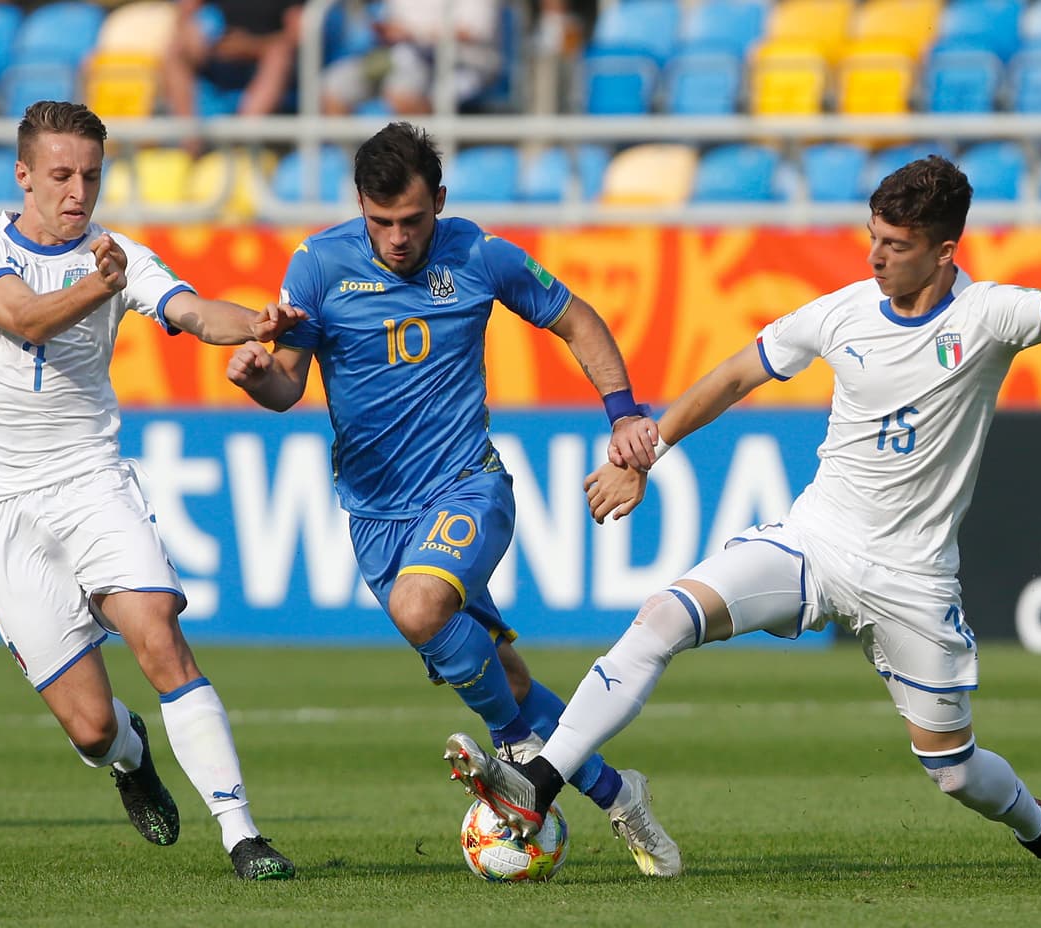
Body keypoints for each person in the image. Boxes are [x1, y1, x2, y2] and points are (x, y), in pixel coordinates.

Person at [442, 155, 1041, 880]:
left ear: (944, 252)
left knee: (955, 772)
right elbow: (739, 371)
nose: (875, 256)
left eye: (895, 246)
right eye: (873, 237)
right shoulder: (842, 312)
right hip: (814, 543)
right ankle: (539, 783)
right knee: (662, 620)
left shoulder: (986, 314)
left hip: (912, 579)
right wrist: (647, 453)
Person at [225, 121, 681, 876]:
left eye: (412, 220)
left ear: (438, 200)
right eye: (381, 223)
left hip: (468, 483)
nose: (398, 239)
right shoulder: (317, 265)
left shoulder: (479, 254)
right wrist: (255, 376)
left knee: (419, 609)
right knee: (512, 678)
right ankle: (617, 792)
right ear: (360, 210)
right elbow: (287, 386)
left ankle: (511, 754)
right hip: (375, 516)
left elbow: (579, 320)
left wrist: (623, 411)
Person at [0, 100, 300, 881]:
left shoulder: (120, 254)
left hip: (88, 476)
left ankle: (243, 835)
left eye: (91, 176)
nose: (77, 192)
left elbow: (193, 312)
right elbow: (24, 318)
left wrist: (258, 324)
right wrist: (104, 285)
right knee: (93, 728)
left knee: (157, 626)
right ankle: (132, 758)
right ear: (23, 175)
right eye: (60, 175)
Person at [320, 0, 502, 115]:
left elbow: (472, 31)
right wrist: (384, 31)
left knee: (403, 93)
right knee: (333, 86)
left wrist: (414, 34)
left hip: (463, 64)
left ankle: (422, 168)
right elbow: (391, 25)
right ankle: (356, 166)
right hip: (400, 57)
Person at [162, 0, 302, 134]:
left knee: (279, 55)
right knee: (176, 52)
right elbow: (187, 12)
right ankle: (190, 142)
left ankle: (243, 138)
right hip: (218, 57)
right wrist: (190, 32)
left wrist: (251, 46)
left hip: (264, 58)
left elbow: (297, 34)